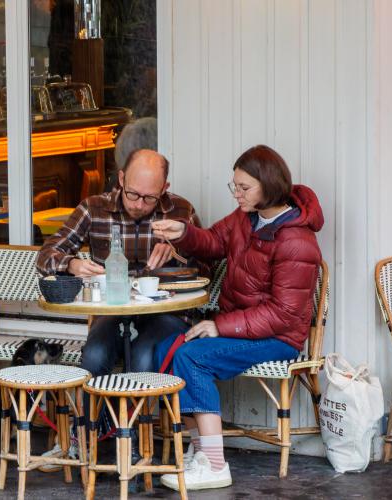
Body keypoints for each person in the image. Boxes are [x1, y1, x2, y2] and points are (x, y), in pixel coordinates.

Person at [152, 144, 324, 491]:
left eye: (244, 187)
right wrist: (183, 233)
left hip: (278, 338)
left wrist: (220, 325)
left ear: (269, 185)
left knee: (192, 358)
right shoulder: (247, 218)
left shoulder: (297, 240)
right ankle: (202, 452)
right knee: (166, 349)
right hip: (243, 327)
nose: (237, 193)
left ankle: (215, 465)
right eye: (235, 186)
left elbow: (283, 314)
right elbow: (214, 242)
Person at [37, 148, 206, 376]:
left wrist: (178, 251)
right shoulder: (94, 209)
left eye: (149, 198)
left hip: (168, 313)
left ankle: (137, 402)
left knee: (143, 358)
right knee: (94, 356)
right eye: (132, 194)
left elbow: (207, 269)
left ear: (164, 188)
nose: (139, 205)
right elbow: (45, 256)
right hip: (112, 311)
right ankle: (96, 403)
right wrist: (71, 264)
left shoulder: (181, 211)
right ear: (121, 178)